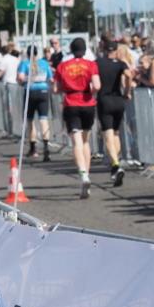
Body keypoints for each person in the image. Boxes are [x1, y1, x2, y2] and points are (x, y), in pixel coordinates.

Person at [54, 37, 101, 198]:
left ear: (72, 50)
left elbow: (56, 88)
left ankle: (83, 174)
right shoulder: (91, 65)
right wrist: (88, 89)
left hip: (71, 102)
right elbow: (97, 85)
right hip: (88, 103)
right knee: (86, 140)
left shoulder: (62, 66)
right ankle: (86, 174)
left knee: (76, 141)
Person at [96, 39, 133, 187]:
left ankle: (115, 164)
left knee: (107, 135)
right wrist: (127, 91)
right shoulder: (120, 64)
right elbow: (129, 75)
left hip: (104, 100)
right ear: (116, 51)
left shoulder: (98, 63)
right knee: (116, 133)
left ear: (105, 50)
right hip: (118, 100)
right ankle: (115, 163)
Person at [17, 45, 54, 161]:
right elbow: (51, 78)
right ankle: (46, 147)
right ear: (37, 53)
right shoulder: (44, 63)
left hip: (30, 92)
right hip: (43, 91)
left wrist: (23, 81)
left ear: (27, 54)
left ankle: (33, 148)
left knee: (30, 120)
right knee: (44, 119)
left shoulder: (24, 63)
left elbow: (20, 78)